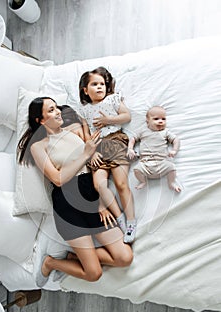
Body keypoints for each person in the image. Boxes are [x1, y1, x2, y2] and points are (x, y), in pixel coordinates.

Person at [17, 97, 133, 288]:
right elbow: (58, 179)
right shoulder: (39, 147)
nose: (58, 112)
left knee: (125, 257)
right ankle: (51, 262)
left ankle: (74, 256)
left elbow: (95, 165)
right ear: (41, 120)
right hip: (67, 203)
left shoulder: (75, 130)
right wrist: (85, 154)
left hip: (91, 195)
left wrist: (102, 203)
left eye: (57, 108)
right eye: (52, 110)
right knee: (93, 273)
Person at [78, 67, 137, 244]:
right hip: (98, 148)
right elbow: (87, 133)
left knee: (120, 183)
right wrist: (91, 152)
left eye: (102, 84)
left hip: (115, 141)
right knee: (99, 185)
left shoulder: (112, 99)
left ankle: (131, 222)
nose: (99, 87)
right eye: (94, 84)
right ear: (85, 90)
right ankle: (120, 218)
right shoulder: (84, 110)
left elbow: (126, 116)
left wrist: (108, 120)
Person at [127, 106, 181, 192]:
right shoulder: (142, 131)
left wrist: (174, 150)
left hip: (162, 162)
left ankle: (171, 182)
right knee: (136, 169)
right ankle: (143, 181)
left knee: (172, 167)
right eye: (156, 119)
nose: (160, 121)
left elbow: (176, 140)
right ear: (147, 120)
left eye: (163, 119)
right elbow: (133, 139)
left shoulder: (165, 132)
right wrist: (130, 149)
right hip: (145, 163)